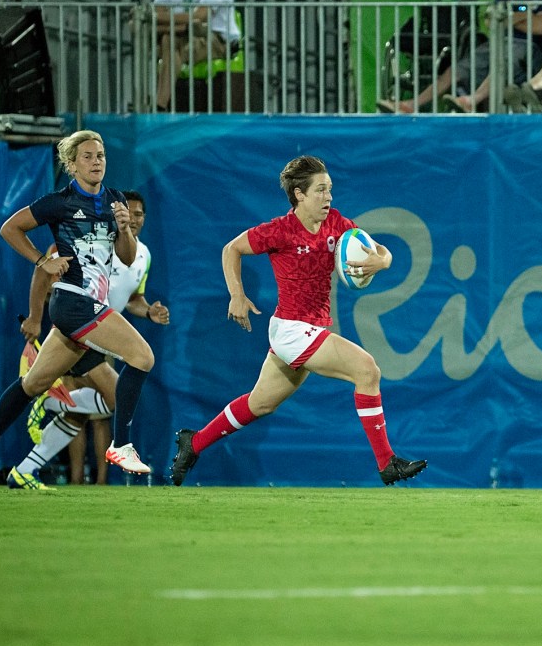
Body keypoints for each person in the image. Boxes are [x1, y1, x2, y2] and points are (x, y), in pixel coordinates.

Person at [169, 155, 427, 487]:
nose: (329, 197)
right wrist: (237, 295)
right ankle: (387, 462)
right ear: (299, 194)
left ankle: (195, 442)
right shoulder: (280, 230)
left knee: (260, 403)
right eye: (320, 190)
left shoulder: (336, 223)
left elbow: (382, 251)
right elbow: (230, 249)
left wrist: (382, 262)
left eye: (330, 189)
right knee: (368, 370)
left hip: (307, 329)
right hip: (292, 330)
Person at [0, 130, 155, 493]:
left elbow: (127, 258)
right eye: (87, 156)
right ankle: (120, 445)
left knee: (32, 383)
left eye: (100, 155)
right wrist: (41, 261)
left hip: (87, 306)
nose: (96, 162)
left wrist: (125, 229)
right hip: (72, 302)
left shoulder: (114, 200)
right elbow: (10, 228)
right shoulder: (59, 202)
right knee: (142, 357)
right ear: (71, 164)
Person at [19, 189, 171, 486]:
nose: (134, 218)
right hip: (78, 328)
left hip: (108, 335)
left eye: (139, 214)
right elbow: (42, 275)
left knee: (89, 413)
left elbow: (133, 298)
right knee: (114, 398)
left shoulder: (143, 255)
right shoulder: (86, 238)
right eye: (129, 211)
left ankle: (32, 468)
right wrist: (36, 318)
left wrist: (149, 312)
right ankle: (52, 409)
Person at [377, 0, 542, 114]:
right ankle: (411, 105)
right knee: (458, 69)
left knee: (502, 63)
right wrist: (527, 13)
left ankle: (471, 100)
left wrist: (509, 17)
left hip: (530, 48)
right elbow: (490, 21)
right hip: (498, 41)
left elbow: (541, 27)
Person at [153, 0, 240, 112]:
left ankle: (158, 106)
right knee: (167, 40)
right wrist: (184, 23)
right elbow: (157, 12)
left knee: (173, 48)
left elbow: (200, 17)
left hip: (218, 39)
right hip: (184, 33)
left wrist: (163, 19)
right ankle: (160, 105)